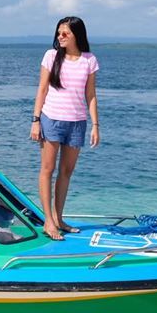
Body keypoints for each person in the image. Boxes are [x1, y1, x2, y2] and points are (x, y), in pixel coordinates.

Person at [29, 16, 100, 240]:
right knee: (47, 170)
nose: (60, 36)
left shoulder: (89, 60)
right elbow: (42, 89)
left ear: (76, 35)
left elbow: (91, 95)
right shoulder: (51, 56)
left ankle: (59, 218)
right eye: (59, 32)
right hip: (52, 119)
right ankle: (48, 221)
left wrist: (95, 125)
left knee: (66, 172)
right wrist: (36, 119)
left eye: (65, 33)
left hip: (77, 122)